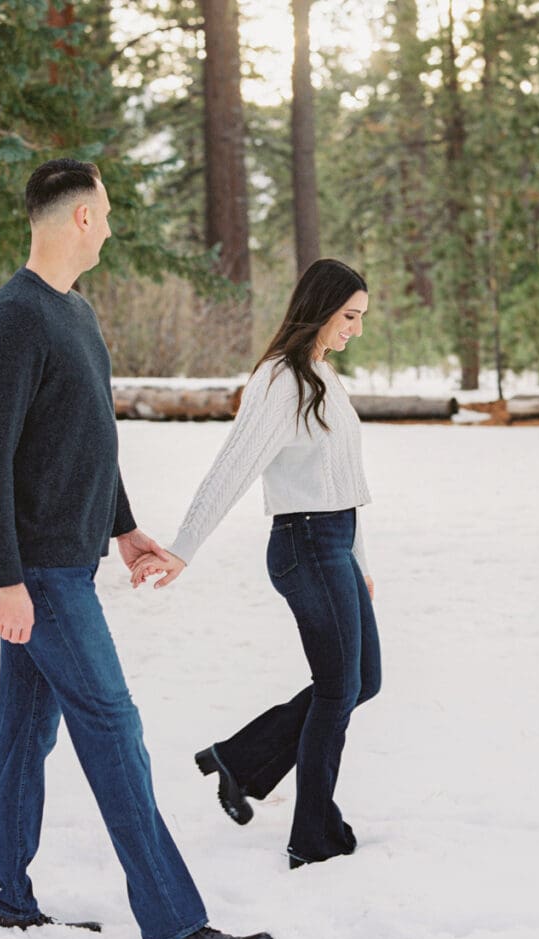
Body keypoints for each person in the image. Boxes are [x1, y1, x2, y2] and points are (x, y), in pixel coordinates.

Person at [0, 158, 274, 939]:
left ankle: (7, 895)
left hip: (69, 562)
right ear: (78, 219)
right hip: (41, 576)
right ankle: (175, 933)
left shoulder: (77, 313)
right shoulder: (14, 320)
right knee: (116, 733)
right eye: (106, 211)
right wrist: (6, 580)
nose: (112, 223)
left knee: (23, 736)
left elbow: (88, 435)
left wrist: (126, 528)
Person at [131, 258, 382, 869]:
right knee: (338, 689)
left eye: (360, 318)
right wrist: (184, 547)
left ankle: (241, 760)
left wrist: (361, 557)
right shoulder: (281, 379)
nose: (355, 328)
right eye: (349, 316)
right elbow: (234, 467)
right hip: (304, 545)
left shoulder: (324, 375)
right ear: (319, 308)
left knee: (361, 680)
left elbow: (345, 480)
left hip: (334, 544)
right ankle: (312, 833)